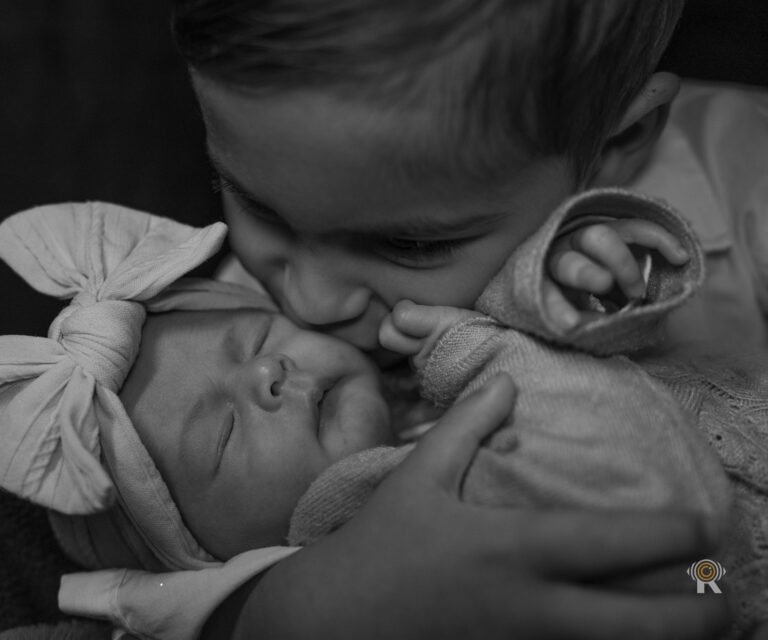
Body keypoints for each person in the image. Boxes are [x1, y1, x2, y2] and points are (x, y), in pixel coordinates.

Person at [165, 1, 768, 637]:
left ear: (617, 143)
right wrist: (275, 608)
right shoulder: (224, 338)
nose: (309, 299)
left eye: (411, 245)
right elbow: (142, 562)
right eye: (257, 206)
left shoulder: (750, 185)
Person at [0, 200, 758, 639]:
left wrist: (569, 272)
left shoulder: (414, 338)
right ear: (212, 555)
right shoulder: (354, 561)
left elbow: (546, 320)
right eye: (221, 436)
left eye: (253, 338)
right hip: (702, 587)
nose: (265, 375)